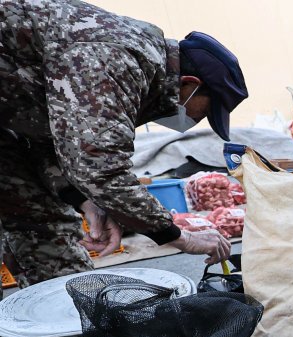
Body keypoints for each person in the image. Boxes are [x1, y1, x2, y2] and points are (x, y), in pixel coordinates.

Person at [0, 2, 245, 291]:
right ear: (189, 83)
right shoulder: (119, 56)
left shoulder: (135, 72)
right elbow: (100, 163)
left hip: (8, 127)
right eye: (205, 111)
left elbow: (51, 138)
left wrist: (86, 201)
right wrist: (177, 235)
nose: (195, 120)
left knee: (46, 231)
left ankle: (64, 328)